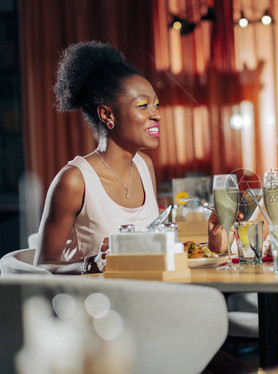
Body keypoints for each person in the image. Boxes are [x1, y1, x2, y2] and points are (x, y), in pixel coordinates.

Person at [34, 41, 227, 274]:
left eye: (156, 105)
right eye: (143, 106)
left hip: (150, 297)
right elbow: (42, 268)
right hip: (99, 305)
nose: (156, 115)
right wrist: (92, 263)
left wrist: (212, 243)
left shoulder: (144, 166)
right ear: (107, 113)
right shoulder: (74, 180)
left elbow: (152, 253)